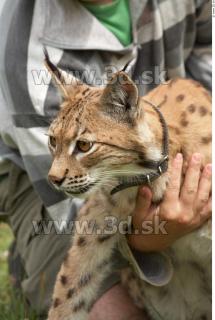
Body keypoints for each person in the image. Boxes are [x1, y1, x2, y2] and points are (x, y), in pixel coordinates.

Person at [0, 0, 211, 319]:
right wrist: (147, 237)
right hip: (43, 182)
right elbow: (63, 190)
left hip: (158, 133)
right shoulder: (25, 52)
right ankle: (34, 245)